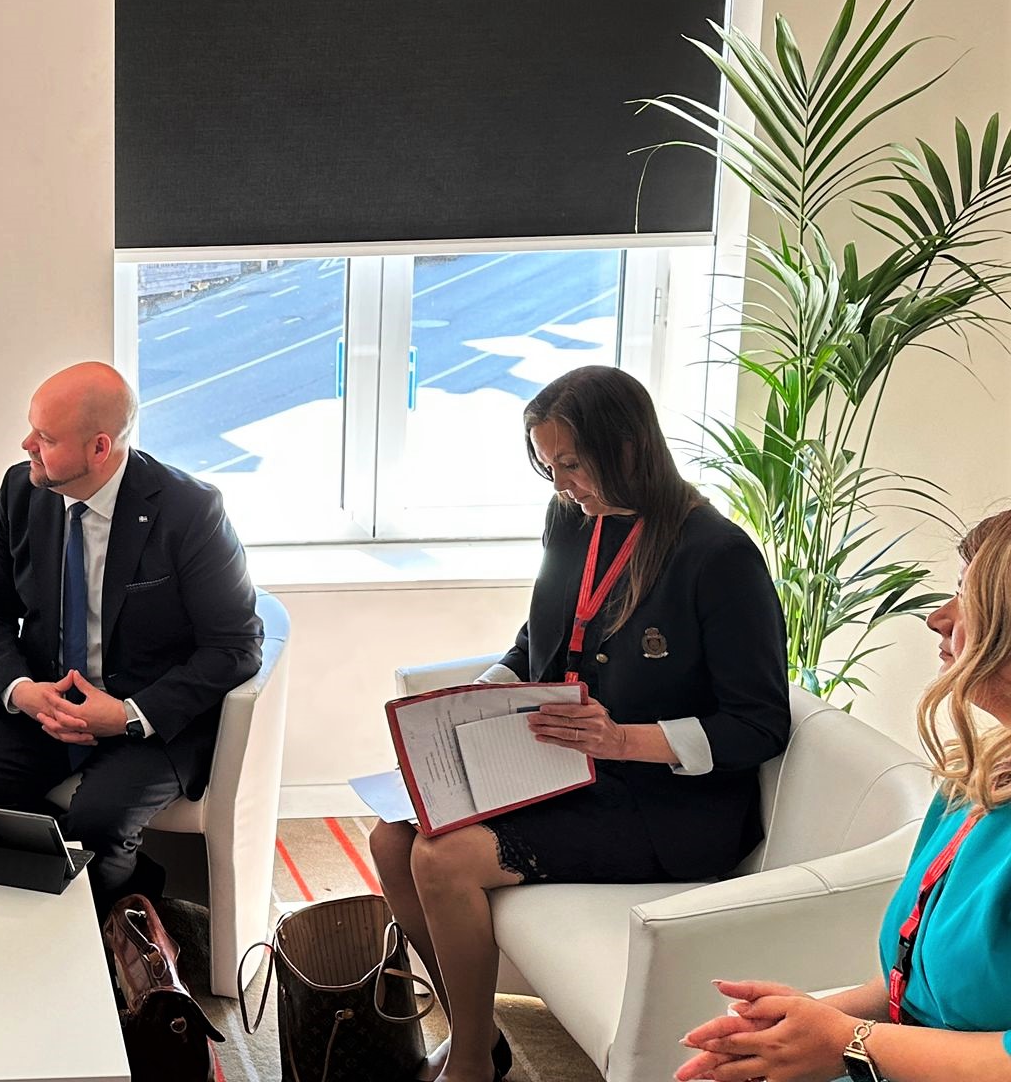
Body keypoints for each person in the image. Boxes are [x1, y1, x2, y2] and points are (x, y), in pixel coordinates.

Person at [369, 365, 791, 1082]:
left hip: (668, 805)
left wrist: (621, 739)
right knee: (390, 837)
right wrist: (467, 707)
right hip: (569, 769)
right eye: (548, 466)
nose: (561, 484)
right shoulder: (571, 520)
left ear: (627, 447)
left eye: (571, 464)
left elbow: (759, 725)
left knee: (443, 858)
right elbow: (538, 643)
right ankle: (479, 1031)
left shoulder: (717, 556)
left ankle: (470, 1063)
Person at [677, 510, 1011, 1082]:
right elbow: (911, 988)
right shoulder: (976, 782)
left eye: (969, 596)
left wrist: (846, 1041)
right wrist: (801, 1028)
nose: (937, 618)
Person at [0, 361, 262, 908]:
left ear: (99, 448)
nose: (27, 445)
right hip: (49, 699)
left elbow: (236, 646)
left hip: (149, 712)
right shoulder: (20, 491)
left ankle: (101, 934)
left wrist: (127, 714)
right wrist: (22, 690)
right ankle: (115, 898)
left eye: (46, 438)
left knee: (100, 819)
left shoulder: (189, 509)